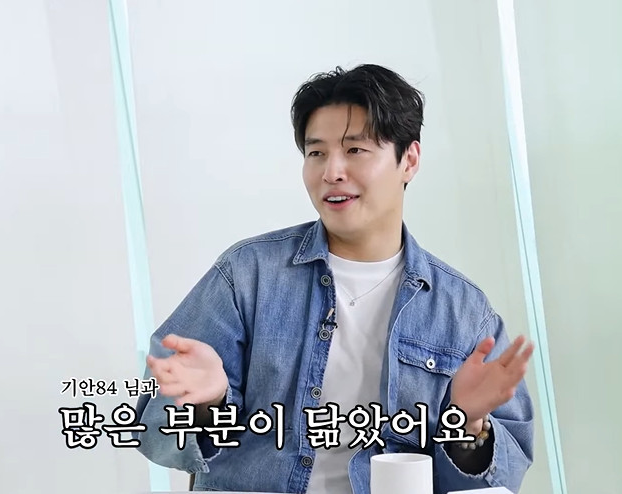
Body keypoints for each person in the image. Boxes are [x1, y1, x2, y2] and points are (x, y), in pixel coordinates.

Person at [133, 63, 535, 494]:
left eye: (355, 150)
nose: (331, 172)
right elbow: (151, 427)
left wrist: (468, 424)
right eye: (316, 153)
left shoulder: (463, 311)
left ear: (409, 160)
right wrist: (209, 405)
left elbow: (502, 475)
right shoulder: (248, 275)